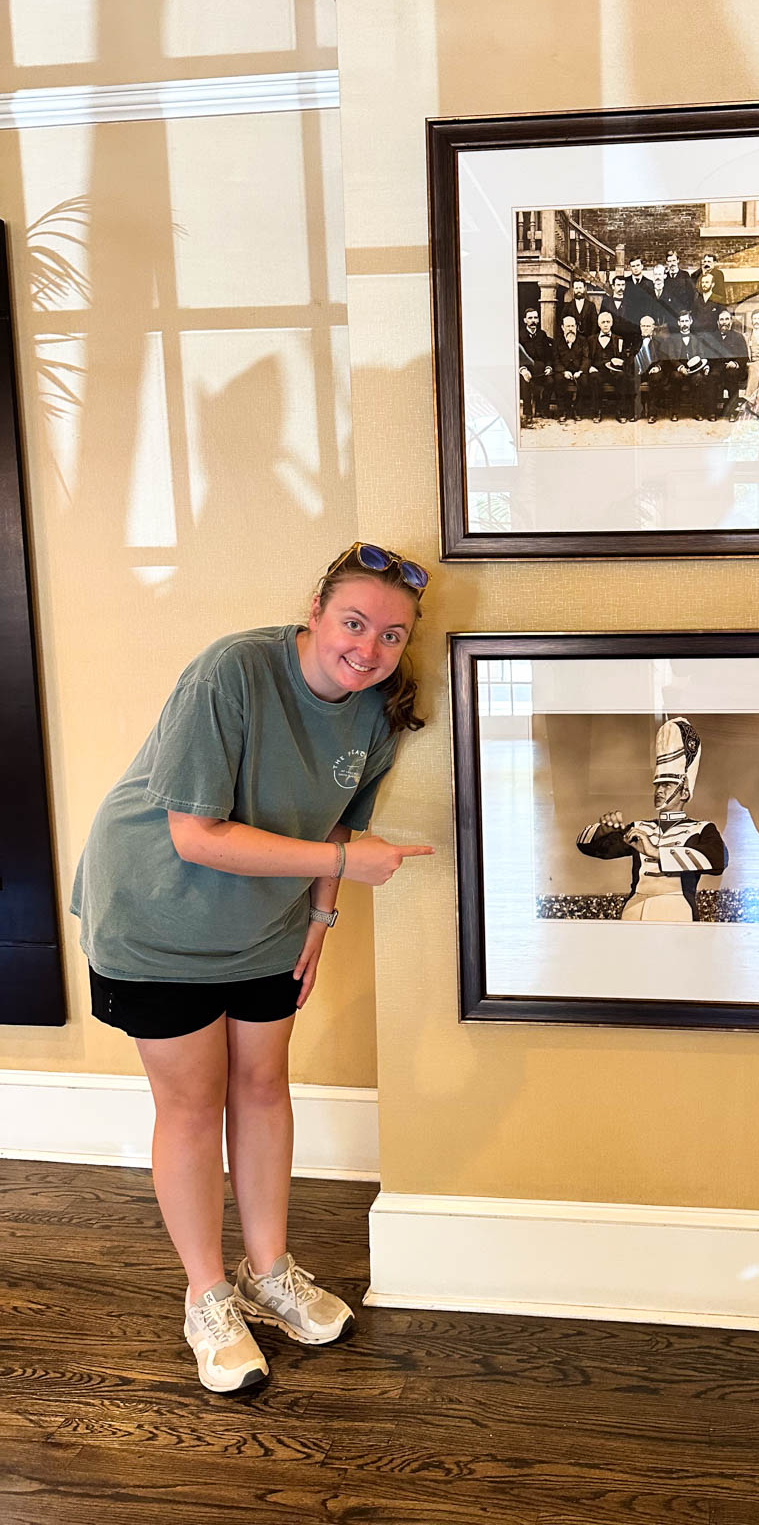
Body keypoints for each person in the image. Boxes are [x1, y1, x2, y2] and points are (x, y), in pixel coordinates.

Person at [71, 543, 435, 1395]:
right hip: (155, 916)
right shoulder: (233, 670)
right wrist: (345, 868)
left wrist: (320, 918)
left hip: (265, 926)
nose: (369, 647)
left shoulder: (378, 712)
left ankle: (268, 1272)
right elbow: (194, 834)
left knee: (265, 1087)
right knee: (194, 1107)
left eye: (391, 634)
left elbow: (334, 830)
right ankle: (206, 1296)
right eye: (354, 622)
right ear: (316, 609)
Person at [576, 717, 727, 921]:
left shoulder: (701, 829)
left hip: (678, 913)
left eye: (666, 785)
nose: (659, 790)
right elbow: (590, 848)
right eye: (657, 785)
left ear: (684, 792)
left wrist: (656, 852)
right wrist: (603, 829)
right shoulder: (640, 828)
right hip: (633, 912)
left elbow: (719, 860)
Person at [517, 305, 555, 423]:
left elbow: (548, 355)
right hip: (526, 369)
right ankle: (528, 413)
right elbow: (517, 355)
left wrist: (549, 367)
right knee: (525, 382)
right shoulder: (519, 335)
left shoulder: (542, 335)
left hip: (541, 370)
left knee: (551, 382)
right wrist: (522, 369)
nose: (533, 321)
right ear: (525, 320)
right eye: (530, 318)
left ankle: (543, 409)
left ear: (538, 320)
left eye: (535, 318)